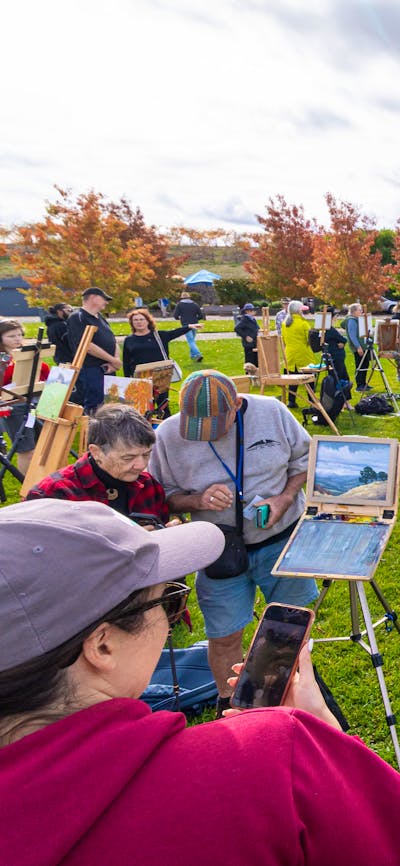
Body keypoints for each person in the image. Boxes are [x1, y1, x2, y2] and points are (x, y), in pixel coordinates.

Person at [1, 501, 399, 866]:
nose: (171, 619)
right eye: (170, 601)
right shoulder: (272, 757)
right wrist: (324, 735)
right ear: (102, 646)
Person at [149, 370, 318, 716]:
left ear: (237, 405)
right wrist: (196, 500)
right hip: (219, 550)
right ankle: (234, 711)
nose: (204, 435)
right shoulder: (168, 434)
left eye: (214, 424)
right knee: (224, 635)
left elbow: (306, 462)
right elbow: (159, 497)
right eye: (196, 426)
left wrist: (284, 498)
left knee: (287, 629)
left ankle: (278, 705)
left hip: (281, 541)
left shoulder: (272, 412)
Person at [26, 403, 170, 525]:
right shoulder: (53, 495)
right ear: (96, 452)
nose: (140, 465)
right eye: (128, 458)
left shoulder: (148, 485)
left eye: (146, 454)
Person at [123, 308, 198, 418]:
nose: (139, 322)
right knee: (144, 407)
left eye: (141, 319)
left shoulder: (159, 336)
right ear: (132, 323)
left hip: (160, 374)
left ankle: (166, 428)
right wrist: (127, 379)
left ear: (148, 321)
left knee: (163, 405)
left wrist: (189, 327)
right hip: (140, 377)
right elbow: (126, 360)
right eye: (135, 320)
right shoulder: (129, 340)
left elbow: (174, 333)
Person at [0, 319, 50, 475]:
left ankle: (43, 482)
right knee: (26, 450)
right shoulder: (3, 359)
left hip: (35, 403)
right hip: (13, 407)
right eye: (11, 336)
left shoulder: (28, 353)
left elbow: (43, 373)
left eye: (20, 335)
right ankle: (28, 488)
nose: (17, 339)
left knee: (43, 448)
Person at [67, 287, 121, 414]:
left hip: (108, 367)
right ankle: (93, 432)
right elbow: (87, 345)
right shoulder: (78, 317)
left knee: (110, 403)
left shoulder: (100, 317)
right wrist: (112, 359)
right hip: (91, 369)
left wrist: (116, 360)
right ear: (92, 297)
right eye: (104, 299)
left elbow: (112, 339)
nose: (106, 303)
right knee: (95, 405)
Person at [281, 300, 315, 408]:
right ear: (299, 310)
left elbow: (284, 340)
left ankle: (291, 401)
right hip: (303, 355)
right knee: (309, 380)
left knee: (293, 380)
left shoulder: (284, 324)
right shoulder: (303, 324)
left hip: (290, 355)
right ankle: (312, 401)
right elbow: (310, 341)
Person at [344, 303, 372, 392]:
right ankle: (359, 385)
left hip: (363, 346)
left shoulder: (357, 319)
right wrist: (358, 347)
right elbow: (352, 336)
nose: (361, 311)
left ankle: (364, 384)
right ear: (354, 311)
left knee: (365, 364)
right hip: (358, 347)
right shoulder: (351, 320)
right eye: (359, 310)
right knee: (360, 365)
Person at [173, 291, 204, 362]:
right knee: (192, 340)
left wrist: (181, 318)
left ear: (181, 298)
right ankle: (192, 355)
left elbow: (175, 316)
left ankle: (198, 354)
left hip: (186, 325)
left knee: (190, 341)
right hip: (195, 324)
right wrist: (195, 319)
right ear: (189, 297)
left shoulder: (179, 305)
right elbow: (200, 316)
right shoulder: (195, 304)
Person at [323, 306, 350, 382]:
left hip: (335, 357)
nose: (336, 318)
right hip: (335, 357)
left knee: (344, 377)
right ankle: (338, 393)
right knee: (339, 378)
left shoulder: (328, 328)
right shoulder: (329, 329)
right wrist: (343, 341)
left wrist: (342, 341)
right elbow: (342, 339)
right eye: (336, 316)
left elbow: (341, 340)